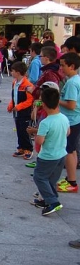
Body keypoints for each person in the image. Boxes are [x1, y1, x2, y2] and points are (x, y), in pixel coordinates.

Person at [28, 87, 69, 216]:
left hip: (48, 156)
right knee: (51, 179)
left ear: (44, 104)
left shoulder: (46, 122)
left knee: (39, 177)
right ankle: (48, 199)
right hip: (61, 154)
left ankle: (53, 202)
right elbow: (68, 132)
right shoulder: (64, 118)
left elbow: (40, 141)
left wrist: (33, 134)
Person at [56, 52, 80, 194]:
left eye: (63, 66)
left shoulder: (71, 83)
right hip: (74, 119)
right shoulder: (75, 80)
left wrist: (56, 100)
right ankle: (70, 177)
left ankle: (72, 182)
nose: (61, 68)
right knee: (72, 150)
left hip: (71, 120)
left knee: (69, 151)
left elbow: (71, 105)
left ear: (72, 66)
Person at [7, 61, 34, 159]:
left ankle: (28, 149)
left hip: (25, 112)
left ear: (18, 72)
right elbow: (14, 96)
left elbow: (30, 100)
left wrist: (18, 106)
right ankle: (21, 147)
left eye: (13, 71)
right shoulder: (14, 83)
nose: (11, 73)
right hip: (17, 112)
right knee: (19, 130)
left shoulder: (27, 85)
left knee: (25, 131)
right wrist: (11, 105)